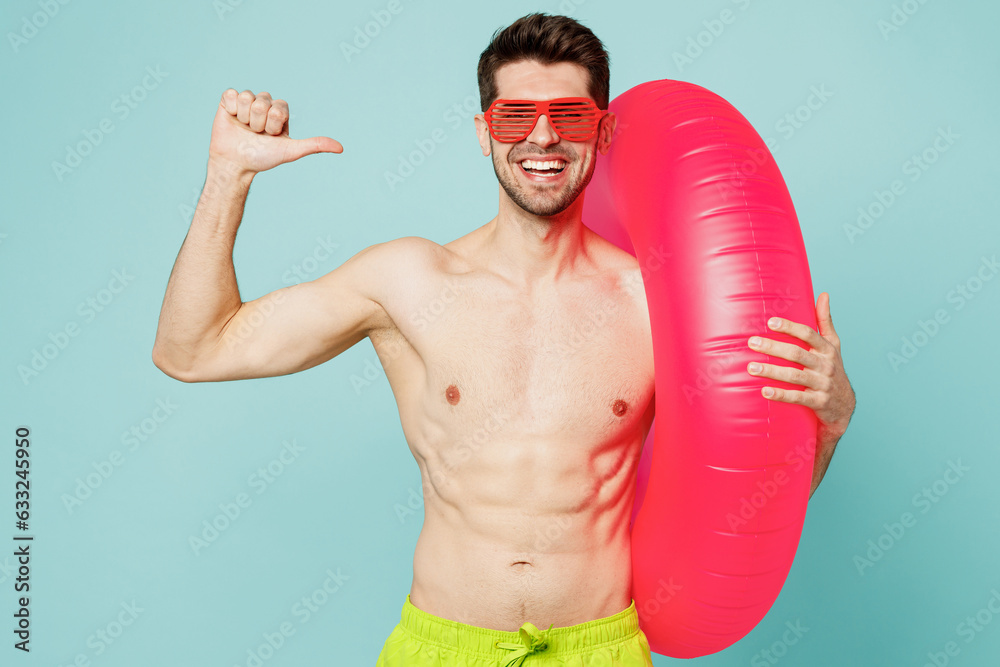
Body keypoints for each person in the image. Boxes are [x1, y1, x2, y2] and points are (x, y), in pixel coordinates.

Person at [152, 12, 856, 667]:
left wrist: (824, 428)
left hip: (600, 647)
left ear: (603, 133)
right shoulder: (407, 281)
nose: (542, 137)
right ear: (484, 131)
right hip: (443, 645)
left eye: (570, 116)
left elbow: (735, 506)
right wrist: (228, 177)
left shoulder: (657, 302)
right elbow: (193, 350)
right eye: (516, 114)